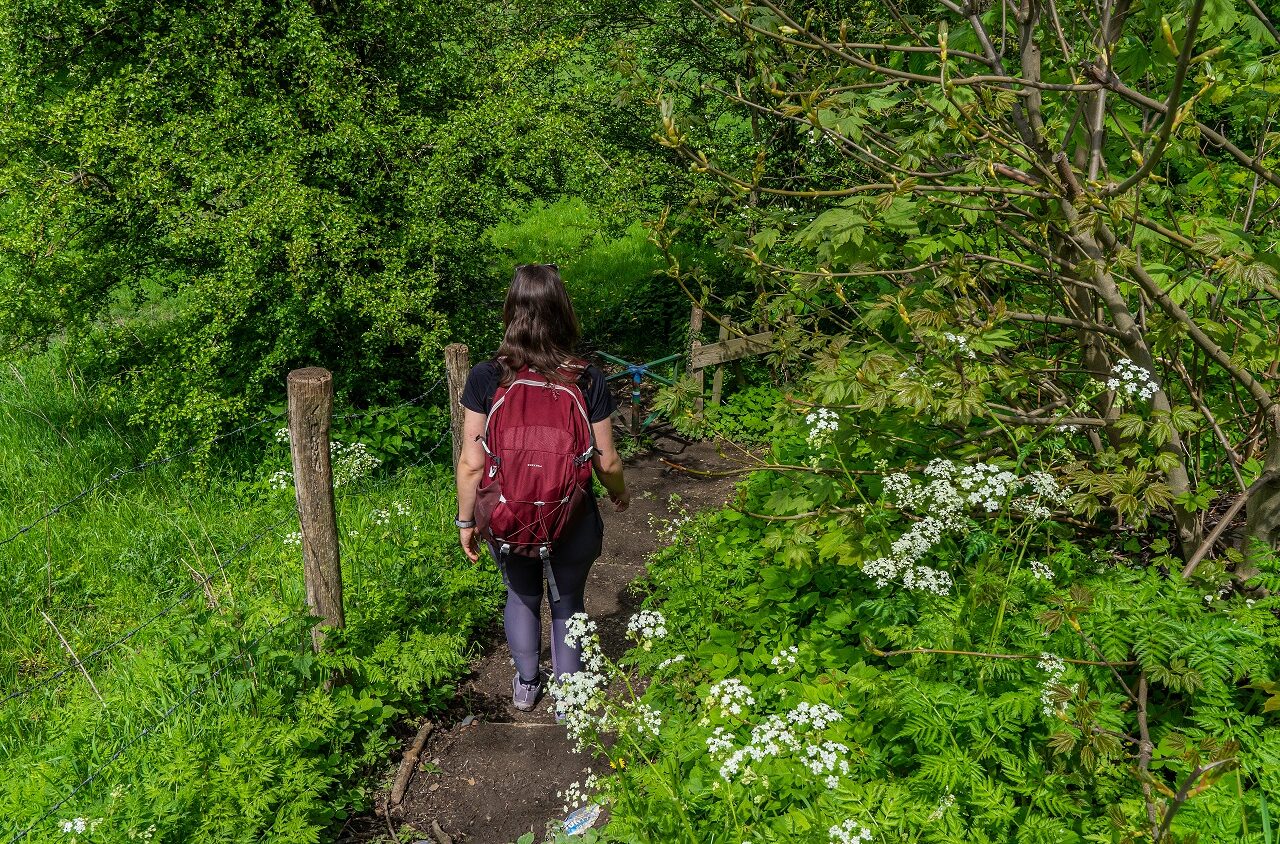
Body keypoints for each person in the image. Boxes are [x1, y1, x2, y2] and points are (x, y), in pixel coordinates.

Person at [454, 263, 630, 712]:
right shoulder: (586, 377)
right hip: (570, 514)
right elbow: (606, 460)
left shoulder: (486, 377)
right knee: (568, 598)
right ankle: (570, 696)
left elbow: (473, 463)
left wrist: (466, 520)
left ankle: (528, 684)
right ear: (562, 311)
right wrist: (618, 491)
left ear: (511, 310)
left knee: (521, 593)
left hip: (507, 515)